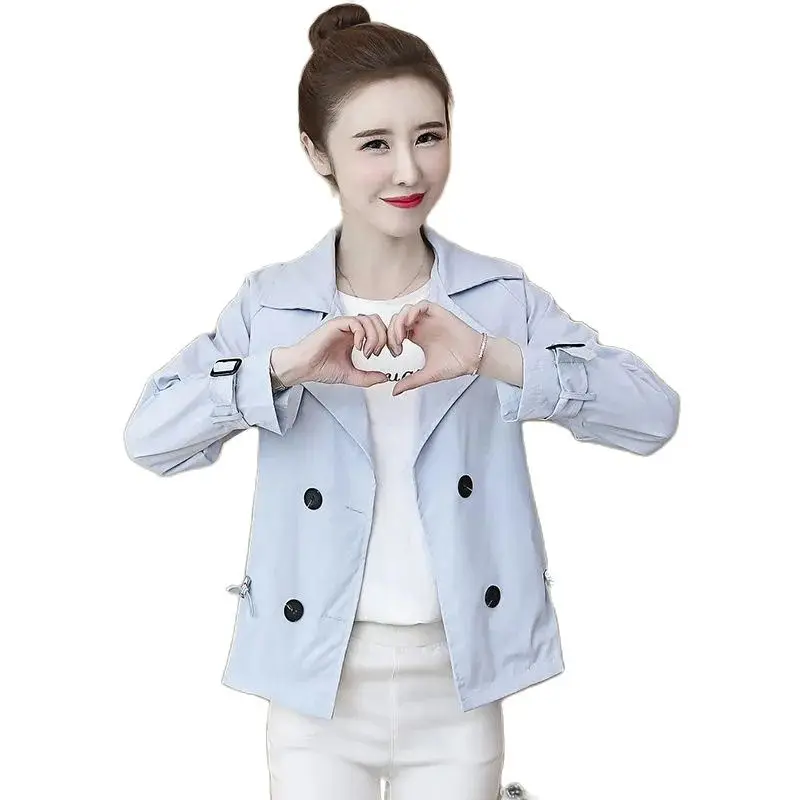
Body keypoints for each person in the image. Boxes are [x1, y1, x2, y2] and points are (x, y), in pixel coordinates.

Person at [123, 4, 680, 799]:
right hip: (314, 684)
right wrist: (280, 370)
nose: (410, 171)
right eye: (374, 144)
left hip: (460, 680)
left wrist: (493, 357)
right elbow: (149, 438)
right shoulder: (271, 304)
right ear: (317, 153)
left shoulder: (498, 297)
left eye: (429, 135)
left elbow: (653, 416)